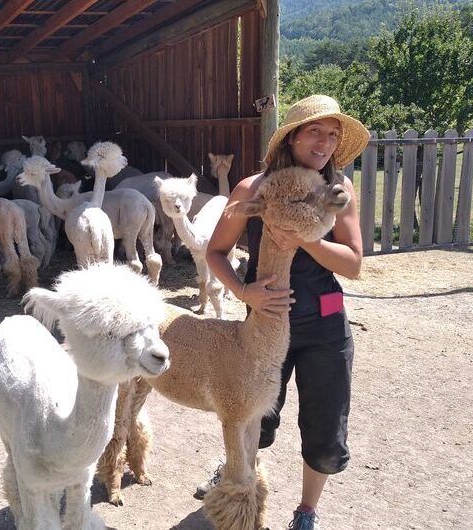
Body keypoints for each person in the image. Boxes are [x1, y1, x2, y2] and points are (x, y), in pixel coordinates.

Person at [201, 94, 370, 530]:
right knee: (254, 417)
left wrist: (308, 237)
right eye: (315, 131)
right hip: (265, 324)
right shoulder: (253, 189)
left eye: (333, 134)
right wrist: (244, 292)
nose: (325, 142)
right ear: (292, 136)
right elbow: (216, 252)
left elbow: (353, 264)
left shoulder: (339, 191)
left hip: (325, 325)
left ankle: (306, 511)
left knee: (326, 431)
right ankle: (237, 477)